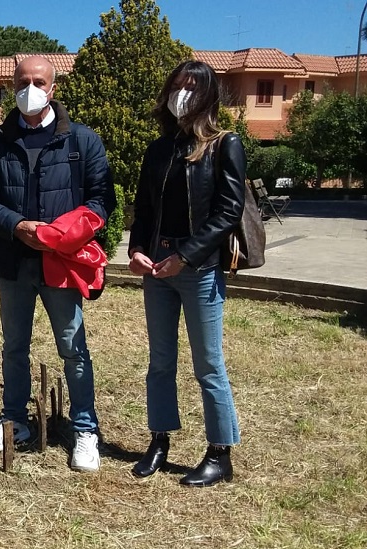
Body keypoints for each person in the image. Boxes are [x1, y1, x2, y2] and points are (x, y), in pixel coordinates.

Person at [0, 55, 116, 471]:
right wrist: (16, 226)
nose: (29, 89)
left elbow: (102, 198)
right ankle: (15, 421)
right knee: (15, 347)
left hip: (61, 263)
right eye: (22, 82)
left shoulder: (81, 140)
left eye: (38, 81)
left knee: (73, 348)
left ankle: (84, 430)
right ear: (12, 85)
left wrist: (66, 232)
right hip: (13, 261)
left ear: (53, 88)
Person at [127, 60, 245, 486]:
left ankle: (219, 453)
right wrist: (136, 250)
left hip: (200, 269)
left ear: (208, 96)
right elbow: (143, 209)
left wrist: (187, 256)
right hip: (157, 266)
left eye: (192, 87)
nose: (182, 94)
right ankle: (159, 440)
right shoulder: (159, 149)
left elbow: (228, 212)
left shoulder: (224, 144)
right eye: (177, 85)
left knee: (208, 364)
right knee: (160, 360)